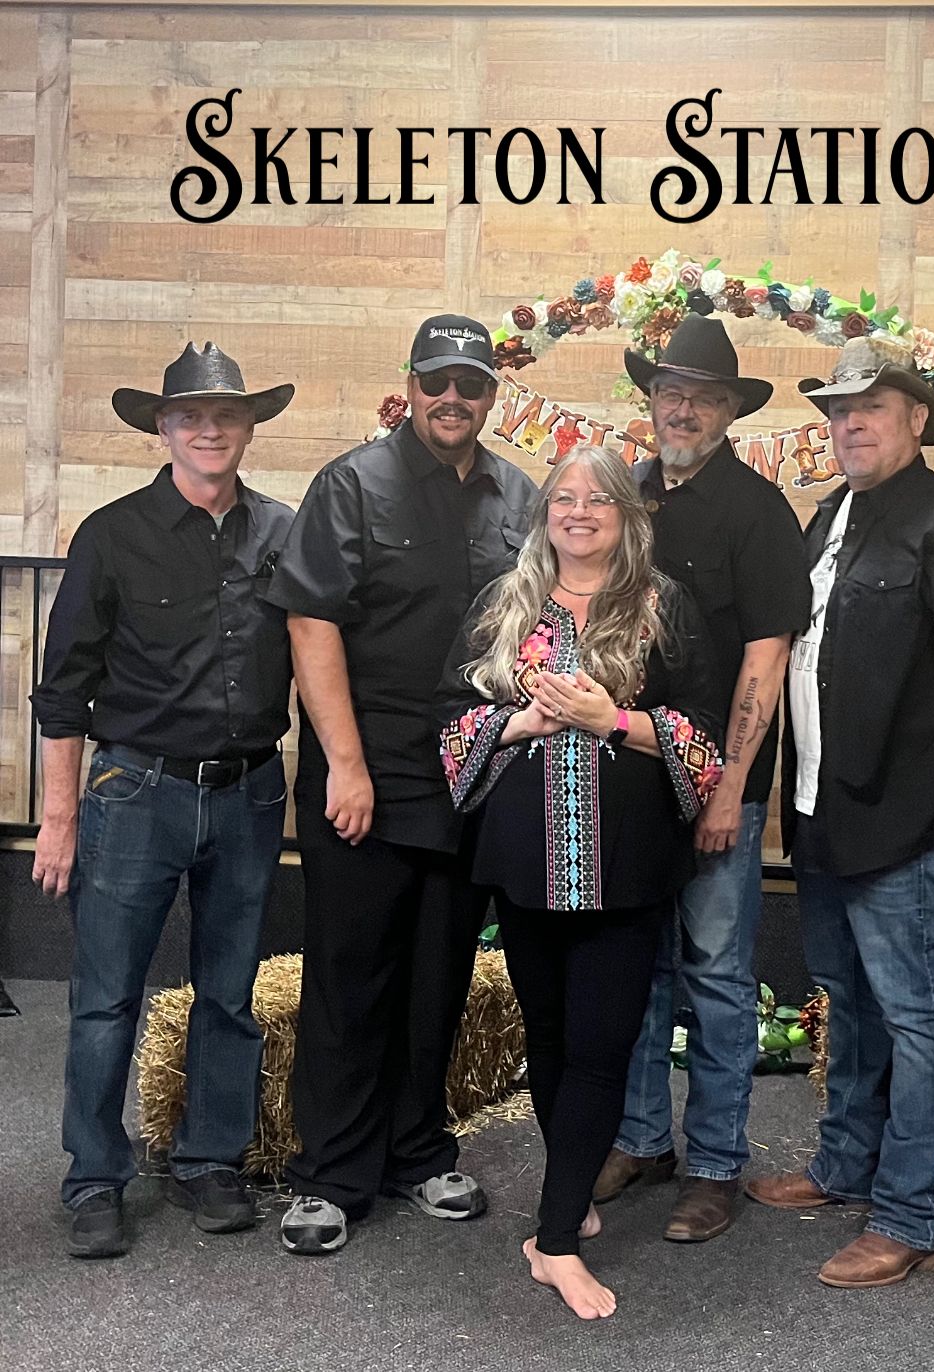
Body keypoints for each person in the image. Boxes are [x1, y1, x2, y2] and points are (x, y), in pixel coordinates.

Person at [745, 335, 934, 1287]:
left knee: (914, 1014)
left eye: (870, 407)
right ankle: (844, 1167)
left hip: (903, 820)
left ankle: (911, 1214)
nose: (850, 424)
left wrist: (931, 754)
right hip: (824, 807)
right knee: (850, 998)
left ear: (916, 418)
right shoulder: (831, 515)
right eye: (837, 410)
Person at [268, 314, 538, 1255]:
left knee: (439, 977)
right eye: (437, 381)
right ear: (412, 385)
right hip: (368, 775)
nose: (452, 398)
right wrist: (344, 765)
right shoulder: (351, 484)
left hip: (469, 777)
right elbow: (311, 624)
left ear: (492, 394)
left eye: (471, 383)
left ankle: (418, 1152)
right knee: (351, 977)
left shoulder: (520, 495)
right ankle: (330, 1175)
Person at [437, 445, 724, 1318]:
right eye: (564, 497)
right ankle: (572, 1192)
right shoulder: (504, 603)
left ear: (627, 516)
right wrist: (521, 722)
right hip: (525, 865)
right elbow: (450, 723)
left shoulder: (663, 606)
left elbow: (705, 735)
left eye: (599, 499)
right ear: (545, 513)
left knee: (602, 1047)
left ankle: (555, 1240)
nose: (579, 511)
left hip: (625, 868)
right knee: (552, 1039)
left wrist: (616, 719)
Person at [31, 342, 296, 1258]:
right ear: (163, 429)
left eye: (226, 415)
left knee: (229, 993)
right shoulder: (110, 535)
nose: (209, 430)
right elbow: (64, 689)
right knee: (106, 996)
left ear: (250, 427)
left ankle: (209, 1158)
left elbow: (320, 657)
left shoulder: (284, 533)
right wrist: (59, 818)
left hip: (251, 792)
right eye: (190, 417)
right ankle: (94, 1177)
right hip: (136, 790)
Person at [596, 315, 811, 1243]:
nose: (683, 410)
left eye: (704, 398)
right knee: (638, 966)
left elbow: (768, 655)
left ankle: (717, 1163)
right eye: (670, 393)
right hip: (633, 775)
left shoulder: (759, 513)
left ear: (730, 412)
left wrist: (729, 788)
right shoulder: (624, 496)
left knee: (717, 977)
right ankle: (642, 1138)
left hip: (718, 785)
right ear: (651, 401)